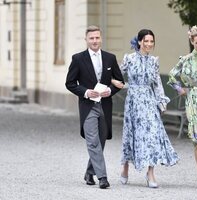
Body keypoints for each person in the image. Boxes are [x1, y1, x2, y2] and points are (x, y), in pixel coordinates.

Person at [112, 29, 179, 188]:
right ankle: (125, 167)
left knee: (152, 135)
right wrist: (116, 82)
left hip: (149, 102)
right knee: (132, 134)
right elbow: (118, 74)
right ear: (140, 42)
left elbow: (157, 83)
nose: (149, 44)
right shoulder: (129, 59)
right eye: (146, 41)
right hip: (134, 102)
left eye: (151, 42)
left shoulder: (154, 61)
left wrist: (162, 101)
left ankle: (150, 173)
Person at [65, 25, 124, 189]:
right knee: (92, 142)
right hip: (87, 106)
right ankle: (102, 177)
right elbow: (69, 83)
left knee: (101, 141)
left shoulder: (110, 58)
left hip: (105, 106)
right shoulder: (78, 58)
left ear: (101, 38)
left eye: (97, 37)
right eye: (91, 38)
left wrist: (110, 91)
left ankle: (89, 172)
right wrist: (85, 92)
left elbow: (120, 82)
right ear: (86, 40)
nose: (95, 41)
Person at [168, 25, 197, 186]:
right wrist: (180, 89)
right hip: (194, 101)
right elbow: (172, 76)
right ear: (192, 42)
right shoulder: (186, 59)